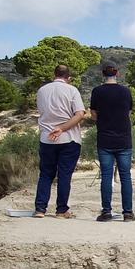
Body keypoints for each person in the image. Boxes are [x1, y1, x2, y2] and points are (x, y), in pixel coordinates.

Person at [33, 65, 85, 218]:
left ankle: (40, 209)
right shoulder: (72, 90)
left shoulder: (42, 90)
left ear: (53, 74)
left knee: (45, 174)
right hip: (68, 138)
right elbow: (80, 114)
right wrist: (62, 128)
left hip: (46, 138)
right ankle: (61, 210)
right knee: (64, 175)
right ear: (68, 77)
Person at [89, 63, 135, 222]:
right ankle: (128, 212)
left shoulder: (97, 91)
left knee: (106, 177)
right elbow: (128, 112)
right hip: (124, 139)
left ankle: (106, 211)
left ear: (103, 74)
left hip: (105, 139)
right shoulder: (125, 91)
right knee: (125, 177)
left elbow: (94, 115)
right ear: (118, 74)